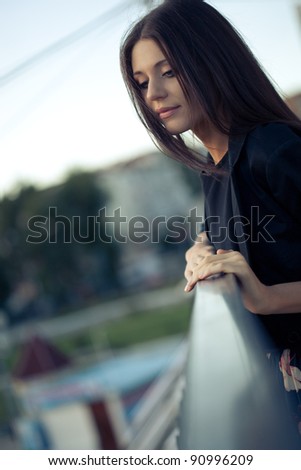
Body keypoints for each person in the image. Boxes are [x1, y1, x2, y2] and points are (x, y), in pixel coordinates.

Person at [119, 0, 301, 442]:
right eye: (142, 82)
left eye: (169, 71)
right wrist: (205, 254)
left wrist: (265, 296)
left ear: (211, 62)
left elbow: (267, 281)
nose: (153, 94)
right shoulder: (215, 169)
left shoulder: (274, 150)